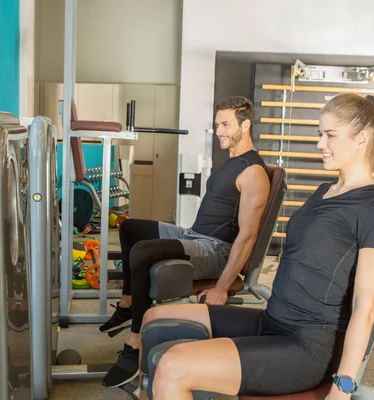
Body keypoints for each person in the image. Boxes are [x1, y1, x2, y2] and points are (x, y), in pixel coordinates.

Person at [139, 93, 374, 399]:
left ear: (361, 138)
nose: (320, 144)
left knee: (173, 366)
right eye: (319, 134)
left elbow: (365, 308)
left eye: (330, 136)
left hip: (305, 347)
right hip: (272, 320)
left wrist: (343, 385)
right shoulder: (326, 190)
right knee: (155, 318)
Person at [101, 96, 271, 388]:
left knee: (143, 252)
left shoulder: (253, 172)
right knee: (130, 228)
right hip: (193, 235)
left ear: (245, 124)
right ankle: (129, 303)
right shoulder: (231, 163)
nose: (219, 130)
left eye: (226, 124)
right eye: (217, 124)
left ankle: (136, 340)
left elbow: (248, 235)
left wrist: (220, 287)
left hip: (214, 250)